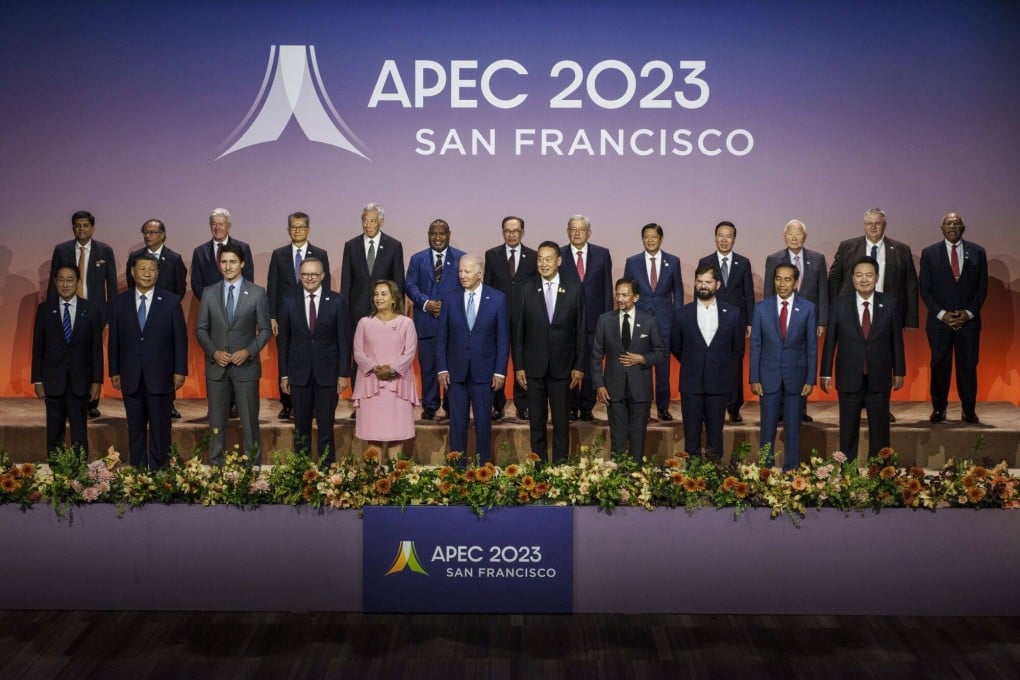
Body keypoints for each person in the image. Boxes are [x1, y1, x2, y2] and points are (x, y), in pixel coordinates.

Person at [820, 257, 905, 460]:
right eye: (859, 275)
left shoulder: (890, 303)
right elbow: (830, 340)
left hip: (879, 376)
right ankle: (848, 476)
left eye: (869, 275)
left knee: (880, 432)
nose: (864, 280)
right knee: (847, 431)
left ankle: (880, 475)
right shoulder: (840, 304)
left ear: (876, 278)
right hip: (849, 377)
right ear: (852, 278)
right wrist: (825, 373)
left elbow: (896, 341)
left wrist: (899, 371)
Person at [109, 254, 188, 470]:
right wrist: (114, 370)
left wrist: (180, 370)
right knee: (135, 427)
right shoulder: (119, 302)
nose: (146, 273)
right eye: (142, 268)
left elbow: (180, 339)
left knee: (161, 427)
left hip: (161, 376)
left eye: (151, 269)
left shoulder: (171, 301)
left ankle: (159, 471)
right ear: (133, 272)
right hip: (130, 375)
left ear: (157, 273)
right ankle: (138, 470)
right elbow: (114, 339)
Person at [195, 243, 271, 466]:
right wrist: (213, 351)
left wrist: (248, 351)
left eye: (233, 262)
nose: (228, 266)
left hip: (245, 368)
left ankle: (252, 470)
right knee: (216, 423)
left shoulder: (257, 293)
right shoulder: (209, 293)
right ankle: (216, 468)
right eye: (224, 262)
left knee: (249, 423)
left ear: (242, 264)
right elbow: (200, 329)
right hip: (216, 368)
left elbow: (265, 330)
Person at [513, 241, 586, 462]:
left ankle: (561, 468)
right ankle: (539, 471)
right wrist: (519, 366)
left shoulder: (574, 288)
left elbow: (581, 331)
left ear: (559, 261)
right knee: (536, 423)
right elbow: (518, 331)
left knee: (562, 423)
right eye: (540, 259)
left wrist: (579, 366)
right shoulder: (525, 289)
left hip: (563, 367)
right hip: (534, 367)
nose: (544, 264)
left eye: (548, 259)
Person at [277, 257, 351, 464]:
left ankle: (327, 472)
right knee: (301, 427)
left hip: (327, 375)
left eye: (314, 274)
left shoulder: (337, 301)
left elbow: (344, 341)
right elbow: (283, 340)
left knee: (326, 426)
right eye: (305, 274)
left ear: (323, 276)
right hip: (298, 375)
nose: (309, 278)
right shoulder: (288, 300)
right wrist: (284, 373)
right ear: (299, 276)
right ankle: (302, 471)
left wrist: (343, 374)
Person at [437, 255, 509, 463]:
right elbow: (442, 337)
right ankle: (457, 473)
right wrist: (442, 368)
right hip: (455, 374)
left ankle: (482, 470)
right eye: (460, 271)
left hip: (485, 373)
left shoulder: (497, 298)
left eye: (467, 271)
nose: (462, 275)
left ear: (480, 273)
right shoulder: (449, 298)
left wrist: (499, 371)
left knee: (483, 425)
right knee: (457, 425)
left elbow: (503, 338)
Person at [919, 212, 988, 424]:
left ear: (963, 228)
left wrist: (967, 313)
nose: (952, 226)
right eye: (948, 223)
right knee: (940, 365)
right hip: (939, 323)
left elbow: (982, 288)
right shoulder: (929, 253)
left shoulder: (978, 252)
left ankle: (968, 410)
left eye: (956, 223)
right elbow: (925, 289)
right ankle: (939, 409)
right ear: (942, 228)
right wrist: (942, 314)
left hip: (969, 322)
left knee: (967, 366)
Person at [48, 210, 118, 418]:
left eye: (85, 225)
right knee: (69, 353)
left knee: (93, 355)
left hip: (94, 312)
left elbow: (111, 286)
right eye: (78, 225)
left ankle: (91, 402)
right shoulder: (62, 250)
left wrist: (109, 315)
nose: (81, 229)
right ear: (73, 228)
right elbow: (55, 282)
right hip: (67, 310)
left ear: (92, 228)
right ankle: (67, 398)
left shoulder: (105, 251)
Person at [671, 264, 744, 460]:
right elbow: (676, 346)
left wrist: (719, 368)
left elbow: (737, 350)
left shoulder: (734, 313)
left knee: (715, 436)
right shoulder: (681, 313)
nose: (703, 286)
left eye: (708, 282)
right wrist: (693, 362)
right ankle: (692, 483)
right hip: (691, 383)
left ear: (717, 284)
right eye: (700, 281)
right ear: (695, 284)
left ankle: (713, 479)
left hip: (719, 384)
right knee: (691, 437)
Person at [31, 265, 103, 459]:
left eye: (70, 280)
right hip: (53, 380)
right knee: (54, 432)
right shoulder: (45, 310)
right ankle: (57, 473)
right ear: (55, 283)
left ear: (78, 283)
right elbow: (38, 348)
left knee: (79, 431)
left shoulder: (91, 310)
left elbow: (96, 348)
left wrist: (97, 380)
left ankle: (79, 473)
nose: (65, 284)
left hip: (81, 382)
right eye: (61, 280)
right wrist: (37, 380)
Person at [750, 263, 817, 470]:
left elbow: (811, 347)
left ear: (796, 282)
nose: (782, 283)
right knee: (767, 428)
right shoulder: (761, 308)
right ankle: (765, 470)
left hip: (796, 377)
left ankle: (792, 469)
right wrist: (754, 378)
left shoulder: (808, 308)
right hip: (768, 377)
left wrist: (810, 378)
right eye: (778, 278)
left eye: (787, 279)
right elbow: (756, 345)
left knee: (793, 428)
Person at [591, 277, 665, 460]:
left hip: (640, 390)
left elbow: (661, 353)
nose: (620, 299)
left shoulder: (648, 321)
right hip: (613, 390)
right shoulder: (605, 320)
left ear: (636, 297)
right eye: (618, 294)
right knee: (618, 439)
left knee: (638, 439)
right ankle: (618, 482)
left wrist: (642, 358)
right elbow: (595, 356)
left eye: (625, 295)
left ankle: (636, 480)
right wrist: (599, 385)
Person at [763, 219, 828, 423]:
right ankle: (780, 409)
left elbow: (823, 292)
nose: (793, 237)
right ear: (784, 237)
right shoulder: (773, 259)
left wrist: (821, 321)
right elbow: (767, 291)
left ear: (804, 237)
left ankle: (800, 408)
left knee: (801, 362)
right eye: (790, 233)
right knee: (779, 360)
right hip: (779, 318)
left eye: (798, 233)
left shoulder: (817, 259)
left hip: (806, 320)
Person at [267, 211, 331, 420]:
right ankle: (287, 404)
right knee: (286, 355)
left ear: (308, 229)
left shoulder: (320, 253)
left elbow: (326, 286)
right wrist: (272, 316)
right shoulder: (279, 254)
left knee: (310, 356)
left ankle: (309, 404)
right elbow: (273, 286)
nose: (297, 230)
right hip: (287, 315)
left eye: (301, 226)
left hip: (312, 313)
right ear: (288, 230)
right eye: (293, 227)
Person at [126, 218, 188, 419]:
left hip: (165, 320)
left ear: (163, 235)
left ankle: (168, 403)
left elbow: (179, 289)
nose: (147, 236)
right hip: (141, 319)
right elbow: (131, 287)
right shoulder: (135, 257)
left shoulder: (174, 258)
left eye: (152, 232)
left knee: (166, 360)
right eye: (145, 232)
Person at [351, 280, 419, 461]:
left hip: (398, 386)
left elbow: (410, 352)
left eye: (383, 294)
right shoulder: (364, 323)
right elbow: (358, 352)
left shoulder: (406, 323)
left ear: (394, 299)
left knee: (397, 434)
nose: (378, 298)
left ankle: (397, 481)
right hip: (370, 385)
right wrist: (375, 368)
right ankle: (375, 480)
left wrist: (393, 369)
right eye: (376, 294)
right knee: (373, 434)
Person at [404, 218, 464, 420]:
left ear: (449, 234)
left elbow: (466, 286)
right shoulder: (417, 259)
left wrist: (446, 307)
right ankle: (429, 406)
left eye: (442, 233)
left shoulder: (461, 258)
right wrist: (426, 302)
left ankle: (449, 406)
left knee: (452, 366)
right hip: (426, 321)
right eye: (433, 233)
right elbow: (410, 285)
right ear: (428, 235)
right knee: (428, 366)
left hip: (453, 324)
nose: (437, 237)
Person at [623, 223, 684, 421]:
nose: (650, 240)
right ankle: (643, 410)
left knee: (663, 368)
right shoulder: (632, 262)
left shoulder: (673, 262)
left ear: (661, 238)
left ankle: (663, 408)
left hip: (665, 322)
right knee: (642, 368)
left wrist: (679, 319)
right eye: (646, 236)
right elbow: (627, 291)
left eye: (654, 236)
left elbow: (678, 293)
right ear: (642, 239)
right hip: (640, 322)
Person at [697, 221, 755, 423]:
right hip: (711, 319)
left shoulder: (743, 262)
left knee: (734, 365)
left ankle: (734, 407)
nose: (724, 239)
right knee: (711, 363)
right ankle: (711, 406)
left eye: (728, 235)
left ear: (734, 239)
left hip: (736, 321)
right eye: (720, 235)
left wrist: (749, 321)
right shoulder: (706, 261)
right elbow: (701, 291)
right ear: (715, 237)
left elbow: (748, 293)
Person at [558, 214, 612, 422]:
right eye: (573, 229)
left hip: (594, 320)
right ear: (568, 231)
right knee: (569, 364)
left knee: (592, 364)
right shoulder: (559, 254)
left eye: (581, 229)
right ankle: (571, 406)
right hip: (567, 322)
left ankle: (587, 406)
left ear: (589, 232)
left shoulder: (602, 254)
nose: (577, 232)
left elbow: (607, 288)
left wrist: (608, 320)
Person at [483, 216, 537, 421]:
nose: (511, 234)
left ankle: (523, 405)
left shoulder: (533, 256)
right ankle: (497, 405)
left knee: (523, 363)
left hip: (525, 319)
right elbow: (487, 287)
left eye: (515, 230)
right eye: (507, 230)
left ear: (522, 232)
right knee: (497, 362)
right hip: (498, 319)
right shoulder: (492, 255)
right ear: (502, 232)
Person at [341, 203, 406, 345]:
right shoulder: (351, 246)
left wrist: (398, 312)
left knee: (384, 349)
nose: (367, 225)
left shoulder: (393, 246)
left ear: (381, 222)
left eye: (372, 221)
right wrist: (344, 311)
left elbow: (398, 281)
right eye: (364, 220)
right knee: (358, 352)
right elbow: (346, 282)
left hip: (385, 311)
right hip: (356, 311)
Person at [190, 208, 255, 302]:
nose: (217, 228)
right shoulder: (199, 252)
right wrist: (209, 301)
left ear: (228, 227)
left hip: (237, 306)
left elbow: (248, 280)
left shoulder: (243, 248)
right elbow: (196, 283)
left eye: (221, 224)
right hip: (210, 307)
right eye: (213, 224)